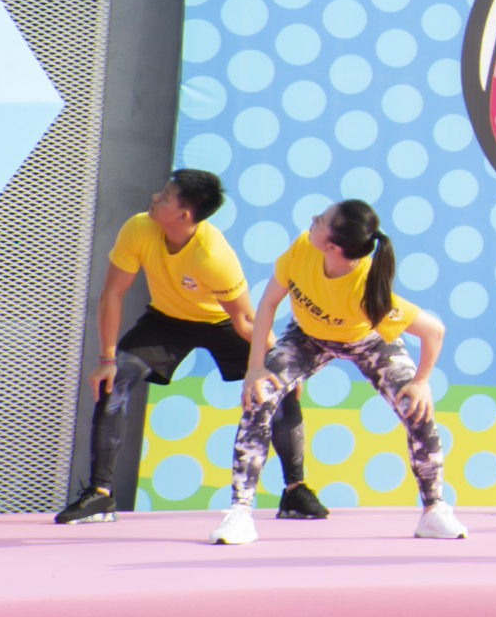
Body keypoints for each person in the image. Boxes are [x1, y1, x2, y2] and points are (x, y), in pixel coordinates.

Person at [57, 171, 322, 523]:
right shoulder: (138, 228)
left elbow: (245, 320)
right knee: (113, 379)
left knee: (279, 386)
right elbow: (113, 293)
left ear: (184, 215)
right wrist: (106, 358)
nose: (155, 196)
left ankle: (295, 491)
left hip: (222, 324)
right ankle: (100, 495)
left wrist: (279, 364)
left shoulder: (213, 257)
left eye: (165, 196)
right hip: (165, 322)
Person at [212, 200, 464, 545]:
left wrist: (421, 382)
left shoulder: (366, 289)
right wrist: (256, 366)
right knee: (260, 393)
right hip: (307, 337)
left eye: (321, 220)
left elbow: (433, 331)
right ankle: (240, 512)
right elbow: (268, 303)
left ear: (332, 247)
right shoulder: (303, 246)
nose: (312, 219)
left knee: (416, 409)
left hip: (367, 341)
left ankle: (434, 510)